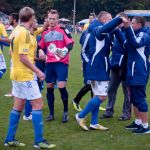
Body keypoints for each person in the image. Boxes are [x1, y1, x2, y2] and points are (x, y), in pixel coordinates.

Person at [4, 7, 56, 149]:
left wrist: (46, 22)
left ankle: (9, 139)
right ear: (31, 18)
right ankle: (39, 141)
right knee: (38, 105)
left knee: (18, 106)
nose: (36, 20)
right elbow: (22, 57)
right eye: (34, 18)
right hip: (25, 75)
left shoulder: (17, 30)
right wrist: (38, 71)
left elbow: (13, 50)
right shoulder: (25, 34)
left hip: (16, 74)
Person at [75, 11, 123, 131]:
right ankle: (80, 115)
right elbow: (106, 28)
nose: (111, 22)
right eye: (110, 19)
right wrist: (119, 19)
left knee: (96, 95)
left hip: (97, 67)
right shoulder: (98, 30)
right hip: (98, 68)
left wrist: (116, 29)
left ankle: (94, 123)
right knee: (102, 96)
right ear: (104, 20)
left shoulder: (102, 30)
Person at [114, 16, 150, 134]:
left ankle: (145, 127)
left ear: (140, 24)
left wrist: (127, 28)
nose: (131, 24)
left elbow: (134, 43)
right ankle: (138, 122)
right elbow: (126, 44)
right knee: (133, 99)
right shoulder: (134, 34)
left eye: (133, 23)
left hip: (139, 72)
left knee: (139, 99)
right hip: (131, 71)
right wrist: (117, 30)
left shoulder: (144, 35)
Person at [38, 9, 74, 123]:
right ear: (47, 19)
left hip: (61, 63)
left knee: (62, 87)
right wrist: (40, 51)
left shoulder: (63, 31)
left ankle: (65, 112)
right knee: (49, 88)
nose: (52, 21)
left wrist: (65, 50)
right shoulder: (45, 33)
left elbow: (70, 44)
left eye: (54, 19)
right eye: (50, 18)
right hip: (49, 64)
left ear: (57, 20)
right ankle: (51, 113)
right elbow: (40, 46)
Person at [101, 12, 131, 121]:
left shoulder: (128, 32)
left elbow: (128, 47)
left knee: (126, 91)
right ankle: (109, 111)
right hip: (114, 65)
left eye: (120, 19)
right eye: (117, 19)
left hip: (125, 66)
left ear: (126, 20)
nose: (118, 22)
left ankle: (126, 113)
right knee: (111, 89)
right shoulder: (113, 31)